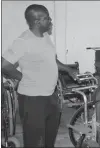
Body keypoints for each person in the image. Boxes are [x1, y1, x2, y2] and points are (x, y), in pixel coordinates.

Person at [1, 4, 78, 147]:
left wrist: (67, 69)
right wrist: (22, 77)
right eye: (47, 18)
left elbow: (52, 59)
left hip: (50, 96)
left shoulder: (45, 36)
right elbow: (4, 64)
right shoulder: (23, 41)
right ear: (37, 22)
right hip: (33, 100)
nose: (50, 21)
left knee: (49, 139)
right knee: (34, 142)